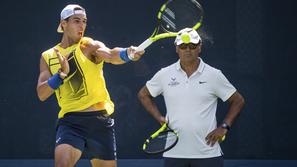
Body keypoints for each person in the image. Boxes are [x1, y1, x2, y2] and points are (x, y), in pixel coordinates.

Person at [36, 4, 144, 167]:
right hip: (70, 122)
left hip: (99, 122)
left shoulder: (88, 45)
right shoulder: (48, 56)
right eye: (76, 21)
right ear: (63, 24)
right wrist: (60, 75)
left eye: (84, 21)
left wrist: (127, 54)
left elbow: (110, 55)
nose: (82, 25)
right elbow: (42, 94)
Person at [138, 28, 245, 167]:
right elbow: (143, 94)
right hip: (173, 153)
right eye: (183, 46)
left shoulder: (214, 75)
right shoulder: (164, 74)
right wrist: (159, 118)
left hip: (208, 153)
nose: (188, 50)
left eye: (192, 46)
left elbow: (238, 100)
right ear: (177, 48)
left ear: (199, 47)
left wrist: (224, 126)